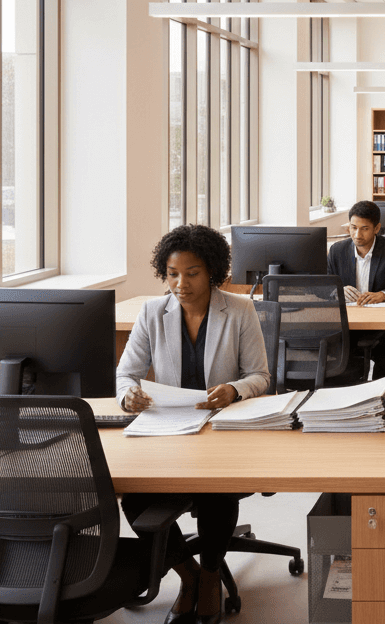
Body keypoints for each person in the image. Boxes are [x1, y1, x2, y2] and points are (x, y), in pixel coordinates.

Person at [116, 224, 271, 624]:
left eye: (192, 273)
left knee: (216, 492)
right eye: (172, 274)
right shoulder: (153, 312)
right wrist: (127, 394)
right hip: (167, 430)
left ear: (212, 271)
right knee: (134, 496)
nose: (180, 284)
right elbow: (125, 375)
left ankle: (211, 572)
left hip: (221, 430)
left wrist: (235, 390)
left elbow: (260, 375)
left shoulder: (239, 310)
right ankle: (187, 572)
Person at [326, 200, 385, 380]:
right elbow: (323, 288)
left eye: (364, 228)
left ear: (377, 228)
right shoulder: (337, 251)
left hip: (382, 325)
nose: (357, 234)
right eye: (353, 227)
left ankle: (380, 394)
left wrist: (383, 295)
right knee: (343, 362)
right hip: (349, 324)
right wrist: (337, 291)